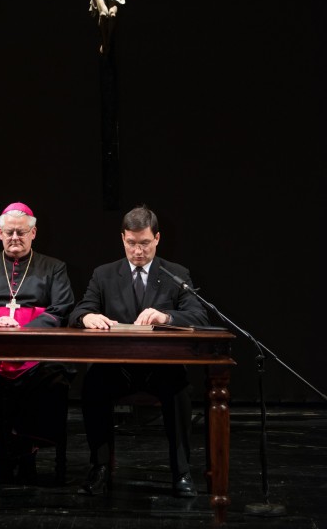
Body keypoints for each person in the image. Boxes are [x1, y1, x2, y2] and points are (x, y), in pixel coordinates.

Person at [68, 204, 209, 497]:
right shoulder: (104, 274)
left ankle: (181, 471)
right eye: (131, 243)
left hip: (161, 367)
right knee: (93, 385)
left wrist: (166, 317)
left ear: (157, 238)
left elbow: (199, 316)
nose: (138, 251)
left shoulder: (176, 273)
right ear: (122, 238)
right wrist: (87, 317)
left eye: (145, 243)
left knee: (180, 390)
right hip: (117, 367)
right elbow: (80, 310)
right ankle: (100, 468)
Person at [0, 202, 75, 485]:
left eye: (21, 232)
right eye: (9, 232)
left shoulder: (54, 267)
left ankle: (26, 453)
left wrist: (27, 331)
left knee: (48, 380)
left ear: (34, 233)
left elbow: (61, 309)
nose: (15, 237)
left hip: (38, 349)